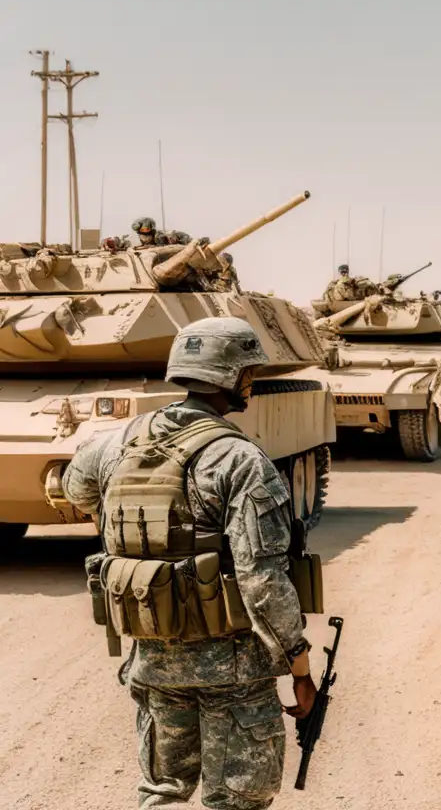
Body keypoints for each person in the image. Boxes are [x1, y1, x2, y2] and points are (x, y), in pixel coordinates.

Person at [63, 317, 317, 810]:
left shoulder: (117, 443)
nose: (251, 382)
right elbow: (261, 579)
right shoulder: (239, 458)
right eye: (249, 372)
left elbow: (75, 489)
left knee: (162, 792)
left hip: (154, 659)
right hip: (235, 671)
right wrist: (299, 666)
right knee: (236, 801)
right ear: (233, 377)